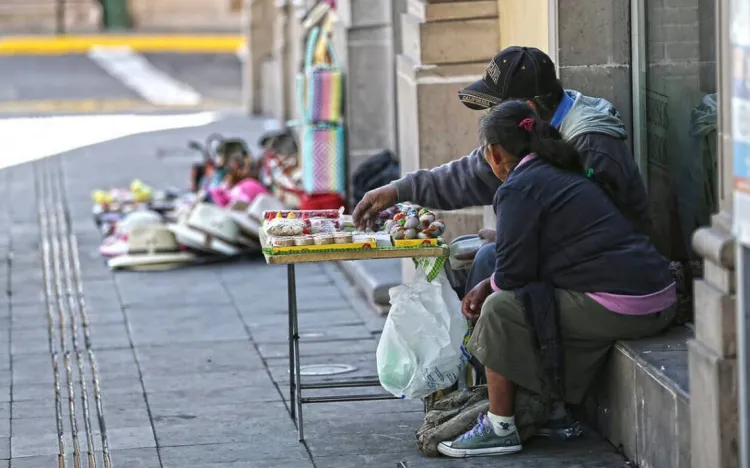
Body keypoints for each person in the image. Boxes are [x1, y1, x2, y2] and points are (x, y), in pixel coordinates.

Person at [434, 101, 675, 458]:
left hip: (628, 304)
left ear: (494, 153)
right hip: (657, 296)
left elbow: (512, 277)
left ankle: (500, 426)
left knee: (500, 308)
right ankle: (552, 410)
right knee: (528, 297)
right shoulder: (558, 169)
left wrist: (486, 287)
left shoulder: (519, 187)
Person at [352, 46, 651, 296]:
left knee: (488, 265)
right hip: (568, 256)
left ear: (526, 108)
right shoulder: (528, 132)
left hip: (612, 276)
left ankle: (485, 361)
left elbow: (600, 232)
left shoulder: (592, 144)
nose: (489, 118)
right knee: (459, 258)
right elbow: (471, 174)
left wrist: (513, 242)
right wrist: (398, 190)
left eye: (494, 110)